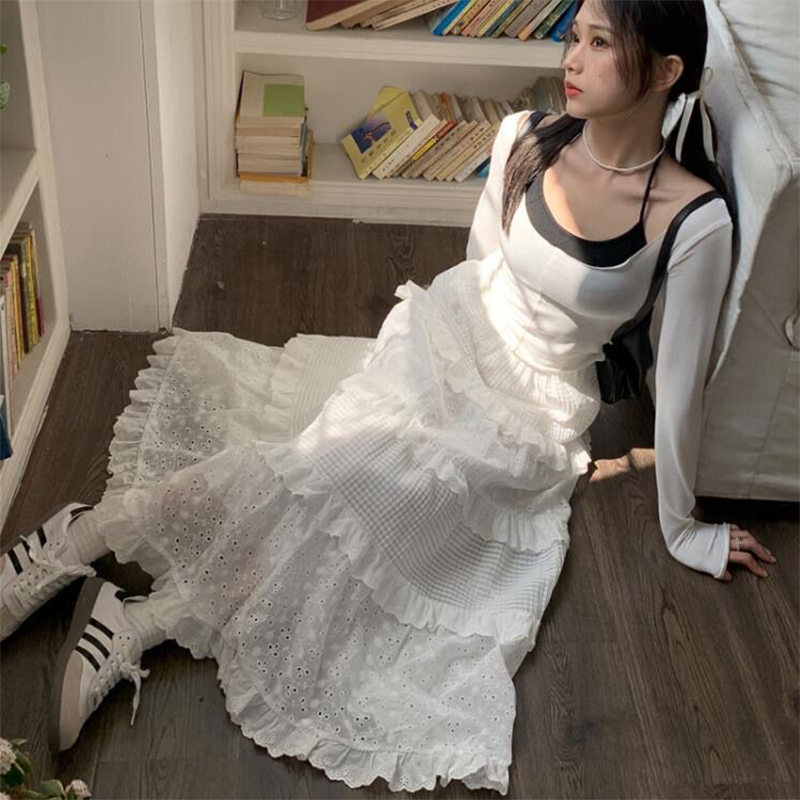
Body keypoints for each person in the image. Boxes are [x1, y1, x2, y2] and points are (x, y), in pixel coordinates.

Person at [0, 0, 777, 793]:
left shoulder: (692, 219)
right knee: (333, 464)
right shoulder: (524, 137)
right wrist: (438, 378)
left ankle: (126, 602)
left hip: (537, 414)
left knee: (374, 489)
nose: (570, 58)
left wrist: (685, 528)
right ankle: (94, 558)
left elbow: (678, 386)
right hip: (450, 338)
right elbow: (477, 270)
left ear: (666, 70)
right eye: (572, 35)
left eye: (599, 42)